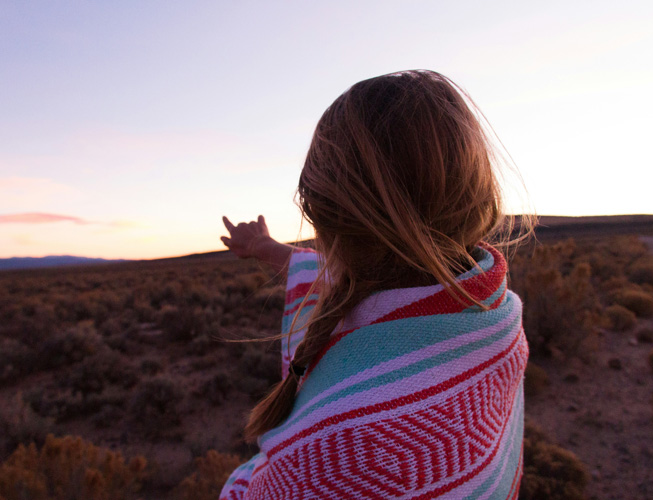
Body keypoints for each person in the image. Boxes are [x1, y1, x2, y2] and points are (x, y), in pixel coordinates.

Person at [219, 70, 531, 500]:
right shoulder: (492, 311)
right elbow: (347, 266)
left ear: (319, 213)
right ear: (478, 189)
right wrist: (267, 248)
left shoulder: (336, 462)